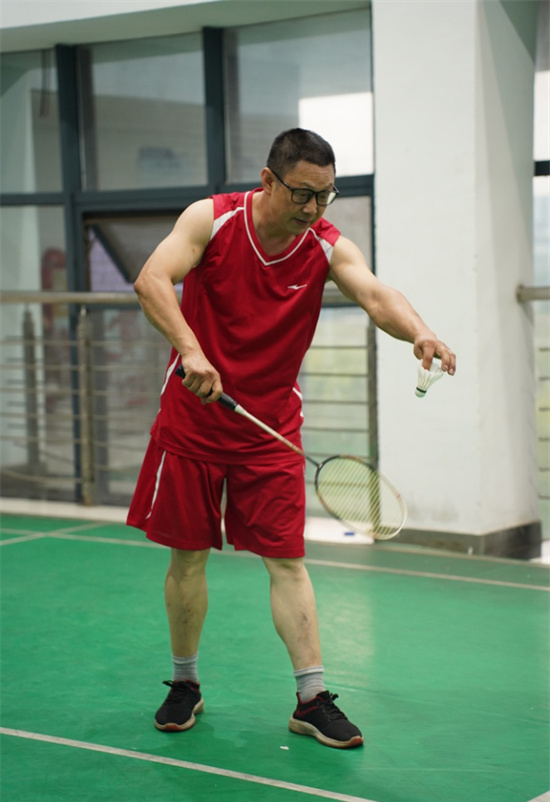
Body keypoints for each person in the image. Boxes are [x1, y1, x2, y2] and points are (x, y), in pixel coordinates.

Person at [127, 128, 456, 750]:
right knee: (188, 557)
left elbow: (375, 294)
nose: (312, 208)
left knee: (287, 561)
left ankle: (311, 698)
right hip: (194, 419)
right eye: (302, 193)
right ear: (268, 180)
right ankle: (184, 682)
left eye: (324, 196)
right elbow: (152, 280)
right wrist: (191, 350)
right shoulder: (212, 220)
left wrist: (419, 331)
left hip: (271, 428)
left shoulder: (325, 246)